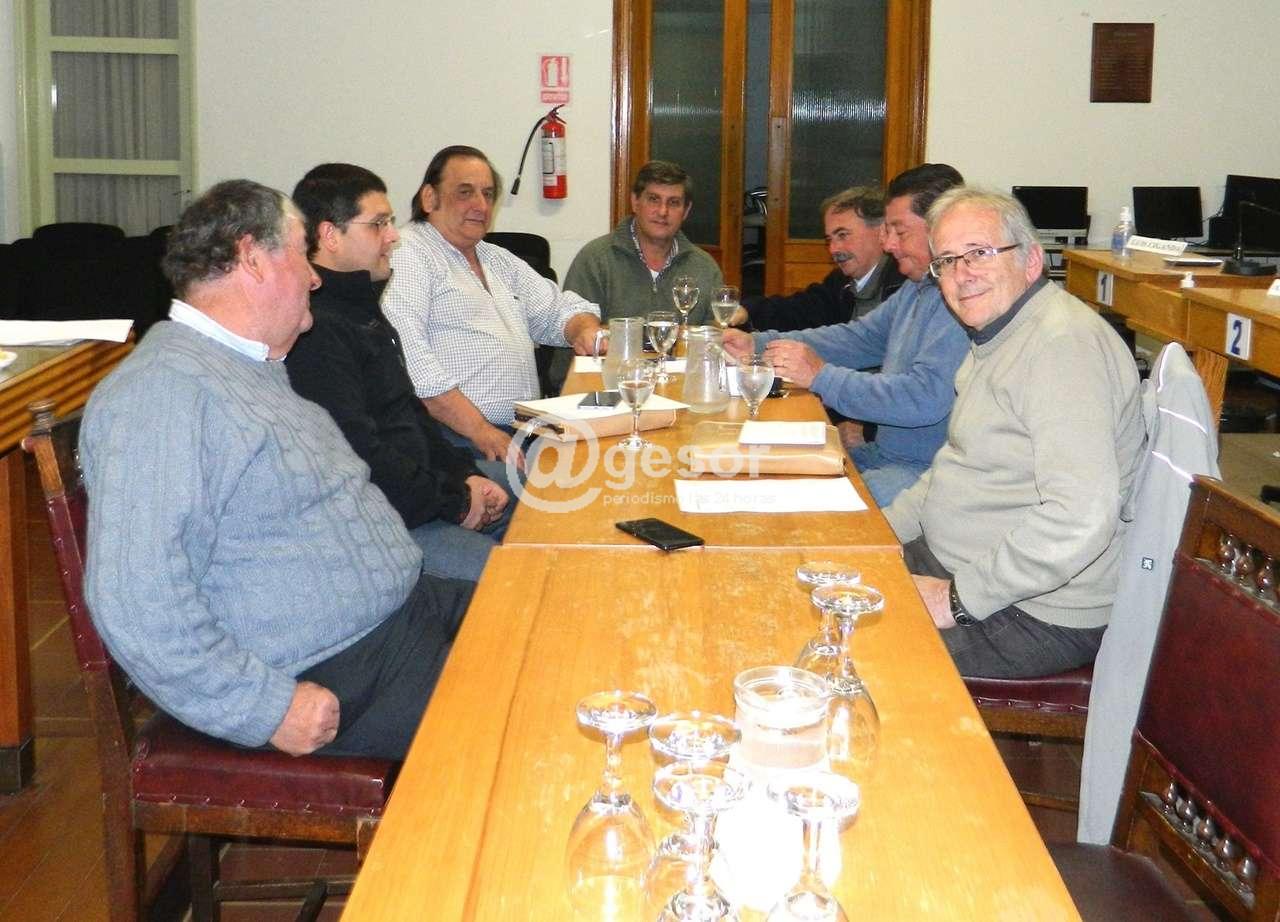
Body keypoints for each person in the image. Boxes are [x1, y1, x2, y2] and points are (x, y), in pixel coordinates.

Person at [79, 179, 473, 761]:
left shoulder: (249, 368)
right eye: (299, 254)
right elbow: (136, 601)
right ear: (252, 258)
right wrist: (262, 707)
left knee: (562, 624)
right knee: (541, 711)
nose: (315, 278)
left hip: (407, 612)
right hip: (342, 671)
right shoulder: (161, 394)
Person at [885, 187, 1145, 679]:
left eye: (979, 253)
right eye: (946, 261)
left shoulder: (1061, 349)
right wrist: (876, 536)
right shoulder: (1000, 334)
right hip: (961, 567)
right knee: (809, 583)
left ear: (1031, 260)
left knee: (844, 645)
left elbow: (1081, 515)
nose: (961, 274)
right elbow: (954, 466)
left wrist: (956, 599)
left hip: (1034, 610)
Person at [286, 163, 511, 583]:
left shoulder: (364, 309)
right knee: (511, 581)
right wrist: (457, 502)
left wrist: (464, 474)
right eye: (378, 224)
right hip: (388, 522)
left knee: (546, 499)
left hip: (426, 491)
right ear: (330, 235)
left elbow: (411, 416)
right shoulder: (316, 332)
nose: (393, 236)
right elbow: (362, 459)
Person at [723, 163, 970, 506]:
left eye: (899, 232)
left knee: (791, 504)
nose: (889, 244)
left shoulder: (959, 301)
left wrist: (821, 376)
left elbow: (923, 397)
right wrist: (759, 343)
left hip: (921, 473)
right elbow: (858, 338)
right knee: (760, 470)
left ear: (941, 229)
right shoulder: (917, 287)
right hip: (883, 455)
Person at [381, 146, 602, 468]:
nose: (481, 205)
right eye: (465, 192)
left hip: (524, 430)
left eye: (487, 194)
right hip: (458, 439)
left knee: (608, 460)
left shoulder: (495, 258)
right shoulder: (408, 254)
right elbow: (412, 364)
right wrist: (480, 430)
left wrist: (584, 329)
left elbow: (559, 310)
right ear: (429, 198)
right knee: (573, 485)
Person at [557, 160, 723, 387]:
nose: (663, 212)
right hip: (606, 386)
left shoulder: (704, 267)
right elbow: (575, 342)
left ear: (686, 211)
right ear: (635, 201)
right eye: (654, 199)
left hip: (680, 389)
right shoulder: (596, 259)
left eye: (673, 203)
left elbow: (714, 344)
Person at [730, 185, 905, 332]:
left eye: (843, 235)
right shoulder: (841, 282)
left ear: (881, 232)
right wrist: (749, 311)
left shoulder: (902, 284)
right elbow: (800, 310)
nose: (833, 249)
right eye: (829, 239)